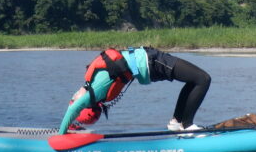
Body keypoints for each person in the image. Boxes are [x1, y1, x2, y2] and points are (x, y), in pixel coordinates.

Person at [58, 46, 211, 134]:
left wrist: (71, 126)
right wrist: (61, 133)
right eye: (74, 97)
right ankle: (187, 125)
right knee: (203, 79)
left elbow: (74, 108)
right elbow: (73, 109)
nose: (74, 95)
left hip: (150, 61)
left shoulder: (91, 84)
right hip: (151, 62)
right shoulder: (95, 92)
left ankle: (177, 122)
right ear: (84, 105)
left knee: (193, 81)